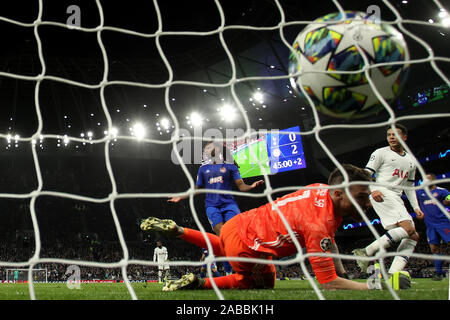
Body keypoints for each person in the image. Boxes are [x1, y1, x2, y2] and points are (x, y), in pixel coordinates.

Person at [141, 164, 411, 291]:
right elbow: (328, 283)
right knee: (261, 282)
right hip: (249, 250)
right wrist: (371, 287)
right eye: (361, 196)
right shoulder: (319, 223)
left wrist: (344, 269)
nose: (366, 202)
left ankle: (180, 231)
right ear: (339, 194)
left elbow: (331, 241)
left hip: (237, 225)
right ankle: (201, 284)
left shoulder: (319, 188)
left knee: (226, 246)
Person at [168, 141, 264, 275]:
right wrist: (181, 197)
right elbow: (196, 189)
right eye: (205, 148)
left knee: (235, 234)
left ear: (217, 149)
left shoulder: (230, 167)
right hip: (212, 207)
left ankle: (246, 263)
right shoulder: (203, 169)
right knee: (222, 237)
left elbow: (241, 186)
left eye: (208, 147)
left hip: (229, 205)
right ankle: (230, 271)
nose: (206, 150)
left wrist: (252, 186)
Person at [353, 124, 425, 276]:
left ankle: (394, 274)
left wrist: (416, 207)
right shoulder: (380, 153)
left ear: (404, 137)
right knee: (409, 229)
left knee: (413, 236)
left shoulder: (411, 161)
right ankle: (366, 251)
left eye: (395, 134)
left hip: (397, 197)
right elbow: (366, 174)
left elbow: (409, 187)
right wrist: (372, 190)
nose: (391, 137)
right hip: (382, 193)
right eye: (389, 135)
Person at [416, 173, 450, 280]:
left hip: (444, 223)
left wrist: (448, 201)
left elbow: (449, 197)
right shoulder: (420, 192)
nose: (424, 181)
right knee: (435, 249)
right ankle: (439, 274)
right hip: (430, 226)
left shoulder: (442, 191)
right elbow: (407, 195)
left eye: (427, 179)